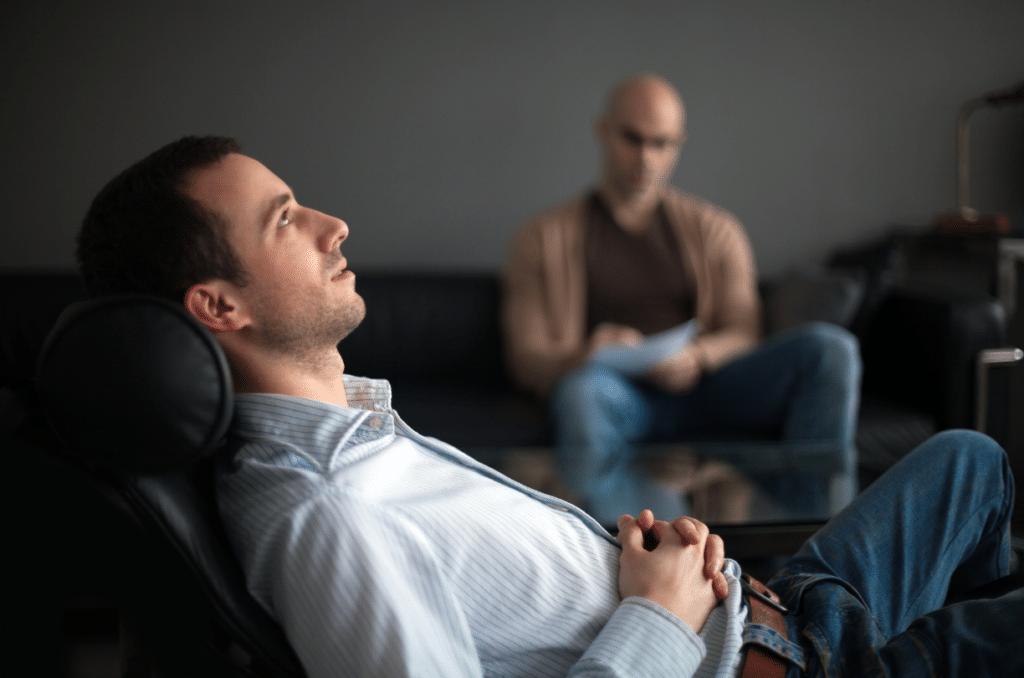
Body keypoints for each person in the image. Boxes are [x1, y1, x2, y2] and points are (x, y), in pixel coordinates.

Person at [76, 135, 1021, 677]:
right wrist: (656, 617)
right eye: (286, 219)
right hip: (779, 664)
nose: (333, 224)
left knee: (970, 457)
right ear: (219, 306)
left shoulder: (358, 442)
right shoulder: (329, 517)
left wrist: (639, 570)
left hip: (780, 606)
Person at [502, 74, 862, 524]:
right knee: (581, 392)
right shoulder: (540, 239)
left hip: (710, 386)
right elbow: (526, 358)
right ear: (603, 131)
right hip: (616, 393)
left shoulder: (716, 228)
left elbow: (744, 330)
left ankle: (816, 552)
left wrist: (699, 355)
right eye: (633, 139)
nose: (646, 158)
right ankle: (612, 559)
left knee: (831, 350)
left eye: (663, 144)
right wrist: (588, 352)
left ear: (679, 144)